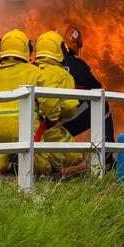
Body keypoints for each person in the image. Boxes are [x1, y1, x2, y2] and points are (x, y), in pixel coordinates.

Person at [0, 29, 45, 174]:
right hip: (27, 129)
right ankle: (32, 163)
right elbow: (47, 103)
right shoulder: (36, 73)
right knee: (45, 160)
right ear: (28, 50)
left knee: (9, 140)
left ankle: (4, 163)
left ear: (1, 49)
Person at [57, 21, 115, 147]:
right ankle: (106, 158)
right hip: (63, 121)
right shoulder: (77, 65)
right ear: (75, 45)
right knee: (101, 106)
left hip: (46, 122)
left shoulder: (44, 64)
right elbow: (96, 88)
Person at [33, 30, 82, 174]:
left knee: (17, 149)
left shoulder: (30, 70)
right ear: (59, 50)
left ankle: (15, 158)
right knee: (77, 157)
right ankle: (42, 162)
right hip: (50, 131)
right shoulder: (64, 76)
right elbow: (70, 108)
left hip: (25, 130)